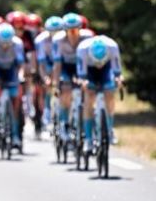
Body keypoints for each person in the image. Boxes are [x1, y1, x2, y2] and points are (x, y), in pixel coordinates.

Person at [52, 12, 95, 142]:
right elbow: (57, 64)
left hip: (83, 66)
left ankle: (87, 127)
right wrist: (56, 83)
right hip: (66, 67)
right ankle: (64, 124)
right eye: (70, 31)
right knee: (65, 90)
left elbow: (92, 59)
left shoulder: (88, 37)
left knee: (87, 92)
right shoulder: (58, 40)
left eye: (76, 30)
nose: (73, 33)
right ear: (65, 31)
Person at [76, 36, 123, 151]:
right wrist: (83, 83)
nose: (99, 64)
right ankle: (88, 138)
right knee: (89, 96)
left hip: (107, 70)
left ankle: (110, 129)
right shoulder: (82, 49)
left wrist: (119, 80)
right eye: (97, 62)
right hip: (89, 70)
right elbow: (81, 76)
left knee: (110, 93)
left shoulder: (112, 47)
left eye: (100, 62)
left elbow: (117, 73)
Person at [0, 23, 25, 147]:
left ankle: (15, 135)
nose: (6, 45)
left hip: (11, 69)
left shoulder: (17, 43)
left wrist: (21, 76)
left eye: (8, 43)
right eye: (3, 43)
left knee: (15, 102)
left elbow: (21, 64)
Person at [35, 16, 64, 126]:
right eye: (52, 31)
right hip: (48, 63)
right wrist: (45, 78)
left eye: (58, 31)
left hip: (61, 62)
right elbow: (41, 63)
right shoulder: (41, 40)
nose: (55, 34)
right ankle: (47, 109)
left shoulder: (64, 39)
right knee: (49, 85)